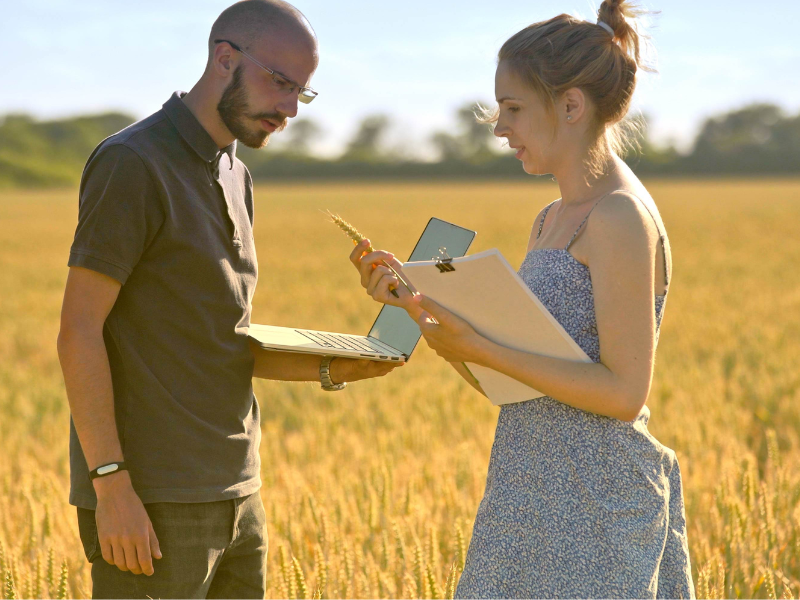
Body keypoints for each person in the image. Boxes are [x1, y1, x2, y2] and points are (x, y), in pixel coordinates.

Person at [350, 0, 694, 597]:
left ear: (570, 105)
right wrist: (422, 311)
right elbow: (516, 383)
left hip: (597, 509)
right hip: (525, 496)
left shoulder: (619, 217)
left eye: (512, 108)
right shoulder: (550, 218)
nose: (498, 125)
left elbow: (623, 393)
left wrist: (479, 345)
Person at [57, 1, 398, 597]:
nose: (290, 109)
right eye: (281, 83)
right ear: (224, 59)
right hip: (154, 500)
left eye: (303, 93)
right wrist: (111, 486)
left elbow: (219, 339)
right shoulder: (132, 163)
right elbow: (78, 330)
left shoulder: (236, 174)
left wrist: (331, 365)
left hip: (239, 492)